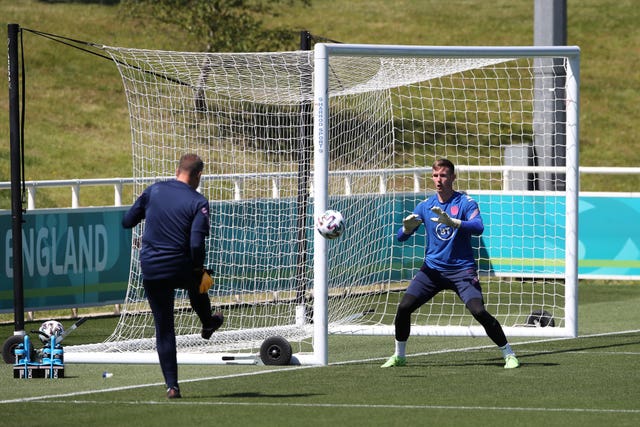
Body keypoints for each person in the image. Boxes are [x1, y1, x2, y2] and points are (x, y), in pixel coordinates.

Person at [381, 158, 519, 369]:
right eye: (435, 175)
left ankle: (509, 354)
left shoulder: (465, 202)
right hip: (432, 271)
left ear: (453, 177)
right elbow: (401, 237)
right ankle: (399, 355)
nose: (439, 180)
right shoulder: (426, 206)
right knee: (404, 307)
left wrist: (454, 222)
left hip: (462, 271)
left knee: (478, 311)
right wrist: (407, 229)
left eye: (443, 175)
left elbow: (478, 226)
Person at [122, 153, 224, 398]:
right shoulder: (198, 201)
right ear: (198, 175)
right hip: (179, 266)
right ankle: (207, 322)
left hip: (152, 269)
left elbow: (127, 221)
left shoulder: (153, 191)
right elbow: (197, 244)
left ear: (177, 170)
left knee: (164, 329)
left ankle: (172, 386)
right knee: (199, 280)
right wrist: (198, 270)